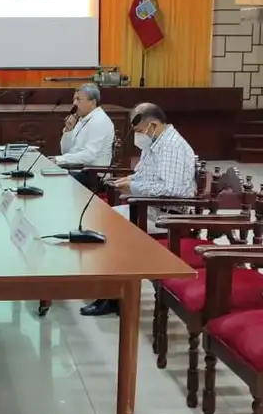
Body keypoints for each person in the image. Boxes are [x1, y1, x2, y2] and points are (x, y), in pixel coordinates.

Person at [83, 103, 197, 318]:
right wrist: (130, 179)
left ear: (152, 124)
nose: (137, 136)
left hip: (167, 216)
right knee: (100, 220)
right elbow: (145, 174)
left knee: (112, 230)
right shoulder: (156, 142)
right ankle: (109, 290)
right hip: (149, 207)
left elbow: (170, 190)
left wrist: (134, 187)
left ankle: (115, 297)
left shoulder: (171, 146)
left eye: (137, 131)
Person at [53, 83, 115, 177]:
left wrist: (59, 160)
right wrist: (68, 130)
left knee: (54, 178)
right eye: (74, 99)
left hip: (93, 176)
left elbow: (89, 155)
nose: (74, 103)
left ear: (93, 103)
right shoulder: (82, 119)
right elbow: (65, 151)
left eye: (78, 99)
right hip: (76, 169)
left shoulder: (100, 120)